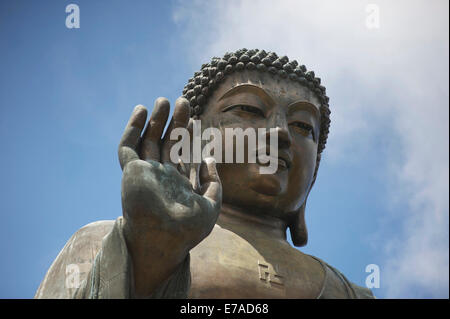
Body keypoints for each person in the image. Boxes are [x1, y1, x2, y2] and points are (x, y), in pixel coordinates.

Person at [35, 49, 375, 299]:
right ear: (190, 144)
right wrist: (147, 259)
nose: (281, 133)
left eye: (303, 126)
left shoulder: (353, 293)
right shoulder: (107, 241)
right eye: (248, 110)